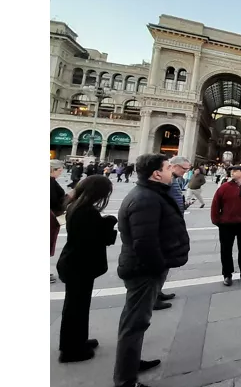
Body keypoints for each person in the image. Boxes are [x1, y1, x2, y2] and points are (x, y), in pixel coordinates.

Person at [113, 154, 190, 387]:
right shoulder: (145, 199)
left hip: (142, 267)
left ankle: (131, 362)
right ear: (157, 173)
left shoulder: (150, 194)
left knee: (135, 321)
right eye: (168, 168)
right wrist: (159, 267)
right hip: (144, 270)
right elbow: (144, 242)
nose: (172, 172)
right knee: (135, 324)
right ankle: (126, 380)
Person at [56, 175, 119, 363]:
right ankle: (71, 350)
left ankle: (77, 340)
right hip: (79, 265)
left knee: (77, 306)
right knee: (76, 307)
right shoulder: (86, 212)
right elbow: (98, 238)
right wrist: (109, 222)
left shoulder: (76, 206)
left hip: (75, 262)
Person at [153, 156, 192, 310]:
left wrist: (184, 206)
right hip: (165, 227)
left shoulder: (174, 181)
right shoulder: (167, 182)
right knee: (160, 264)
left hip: (172, 224)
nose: (186, 172)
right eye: (184, 169)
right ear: (174, 166)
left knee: (166, 263)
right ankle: (153, 296)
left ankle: (157, 291)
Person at [50, 159, 66, 284]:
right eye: (59, 170)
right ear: (52, 170)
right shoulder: (49, 182)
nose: (60, 173)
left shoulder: (52, 181)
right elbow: (54, 200)